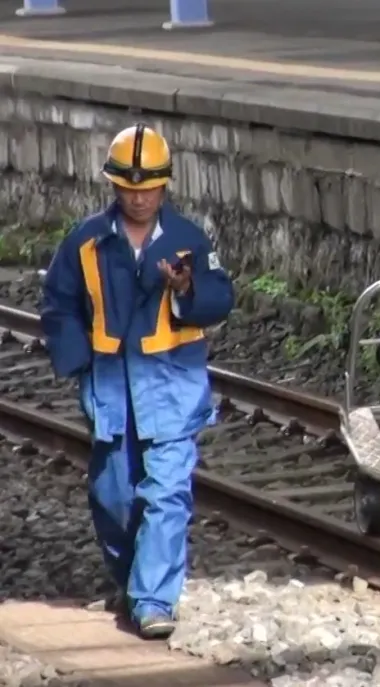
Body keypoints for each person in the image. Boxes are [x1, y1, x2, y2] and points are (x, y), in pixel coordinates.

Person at [40, 123, 235, 638]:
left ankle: (154, 600)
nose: (140, 196)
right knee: (113, 497)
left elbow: (220, 301)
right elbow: (57, 304)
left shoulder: (188, 240)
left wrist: (187, 288)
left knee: (167, 492)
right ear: (114, 185)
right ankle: (133, 582)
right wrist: (76, 360)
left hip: (172, 386)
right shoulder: (86, 242)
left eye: (150, 187)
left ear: (165, 185)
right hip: (110, 389)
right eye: (130, 187)